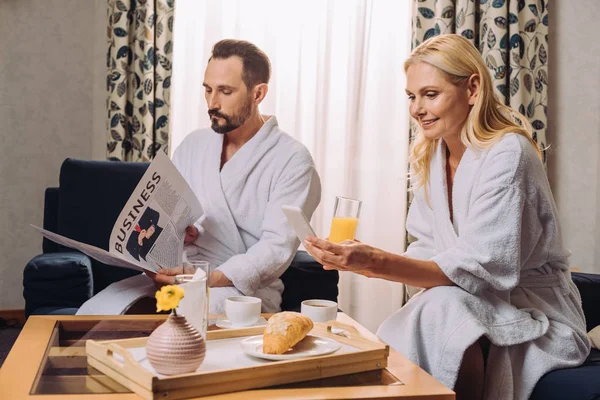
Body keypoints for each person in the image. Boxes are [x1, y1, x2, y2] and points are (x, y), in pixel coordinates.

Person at [303, 34, 590, 400]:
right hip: (472, 302)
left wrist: (374, 263)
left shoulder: (508, 153)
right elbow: (428, 249)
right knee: (441, 305)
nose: (416, 109)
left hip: (533, 311)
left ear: (472, 88)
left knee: (444, 306)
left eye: (430, 94)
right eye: (411, 96)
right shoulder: (433, 158)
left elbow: (480, 268)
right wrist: (370, 258)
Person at [150, 39, 321, 314]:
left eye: (225, 92)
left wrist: (206, 279)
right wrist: (182, 233)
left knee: (197, 313)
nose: (212, 103)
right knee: (107, 312)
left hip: (241, 292)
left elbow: (276, 248)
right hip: (177, 275)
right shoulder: (193, 145)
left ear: (258, 94)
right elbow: (167, 215)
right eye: (207, 90)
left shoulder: (293, 160)